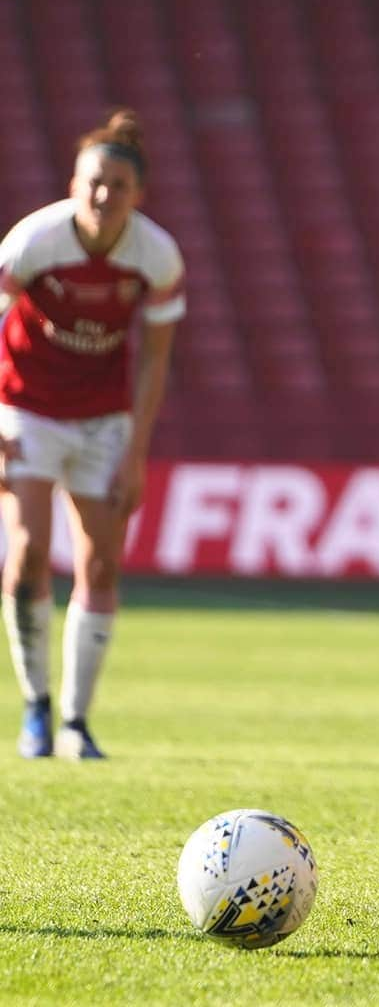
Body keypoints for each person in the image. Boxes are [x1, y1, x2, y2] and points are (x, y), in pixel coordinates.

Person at [0, 108, 185, 760]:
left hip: (103, 418)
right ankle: (36, 709)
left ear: (139, 195)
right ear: (74, 184)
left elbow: (157, 357)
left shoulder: (156, 256)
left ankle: (77, 722)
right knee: (24, 558)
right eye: (93, 182)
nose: (104, 196)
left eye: (118, 186)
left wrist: (136, 453)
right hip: (26, 406)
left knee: (100, 564)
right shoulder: (34, 241)